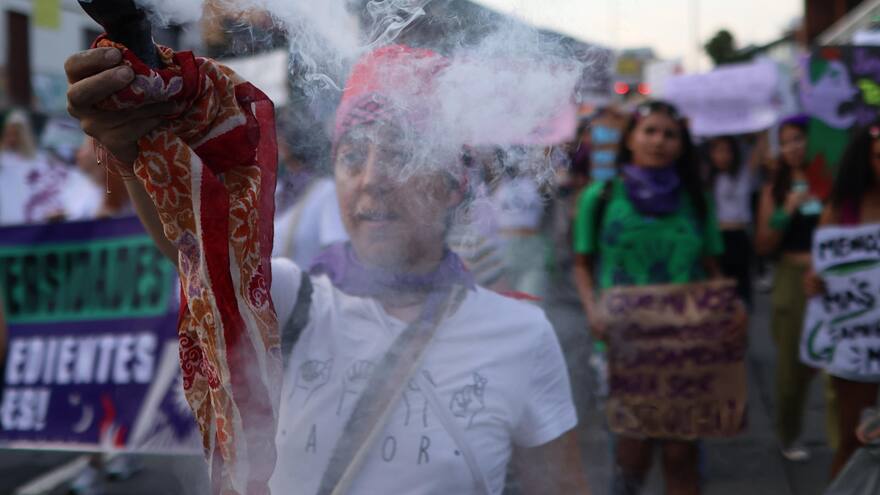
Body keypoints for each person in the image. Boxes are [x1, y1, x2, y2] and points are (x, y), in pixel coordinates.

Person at [64, 43, 589, 495]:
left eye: (402, 153)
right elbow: (196, 245)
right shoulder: (291, 303)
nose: (371, 179)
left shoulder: (520, 335)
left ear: (454, 183)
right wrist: (130, 146)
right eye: (352, 155)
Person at [572, 100, 723, 495]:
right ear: (630, 139)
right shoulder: (600, 196)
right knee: (631, 454)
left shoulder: (696, 198)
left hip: (686, 340)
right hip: (624, 340)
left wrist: (727, 309)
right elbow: (582, 263)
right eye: (650, 131)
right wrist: (593, 309)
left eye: (670, 134)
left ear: (682, 144)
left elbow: (711, 266)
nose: (660, 141)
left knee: (681, 453)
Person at [804, 122, 880, 477]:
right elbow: (821, 268)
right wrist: (815, 283)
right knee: (854, 440)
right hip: (858, 344)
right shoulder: (841, 208)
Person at [755, 114, 823, 462]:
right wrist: (786, 210)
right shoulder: (775, 188)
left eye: (801, 139)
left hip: (829, 281)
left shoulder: (830, 180)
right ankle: (789, 433)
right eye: (788, 141)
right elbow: (764, 244)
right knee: (790, 367)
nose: (796, 147)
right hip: (791, 280)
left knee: (833, 364)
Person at [703, 133, 768, 306]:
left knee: (742, 288)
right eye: (718, 151)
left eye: (727, 151)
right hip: (718, 237)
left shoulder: (743, 175)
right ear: (711, 154)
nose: (723, 156)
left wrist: (765, 128)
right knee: (719, 289)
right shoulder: (708, 179)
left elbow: (759, 150)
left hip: (739, 236)